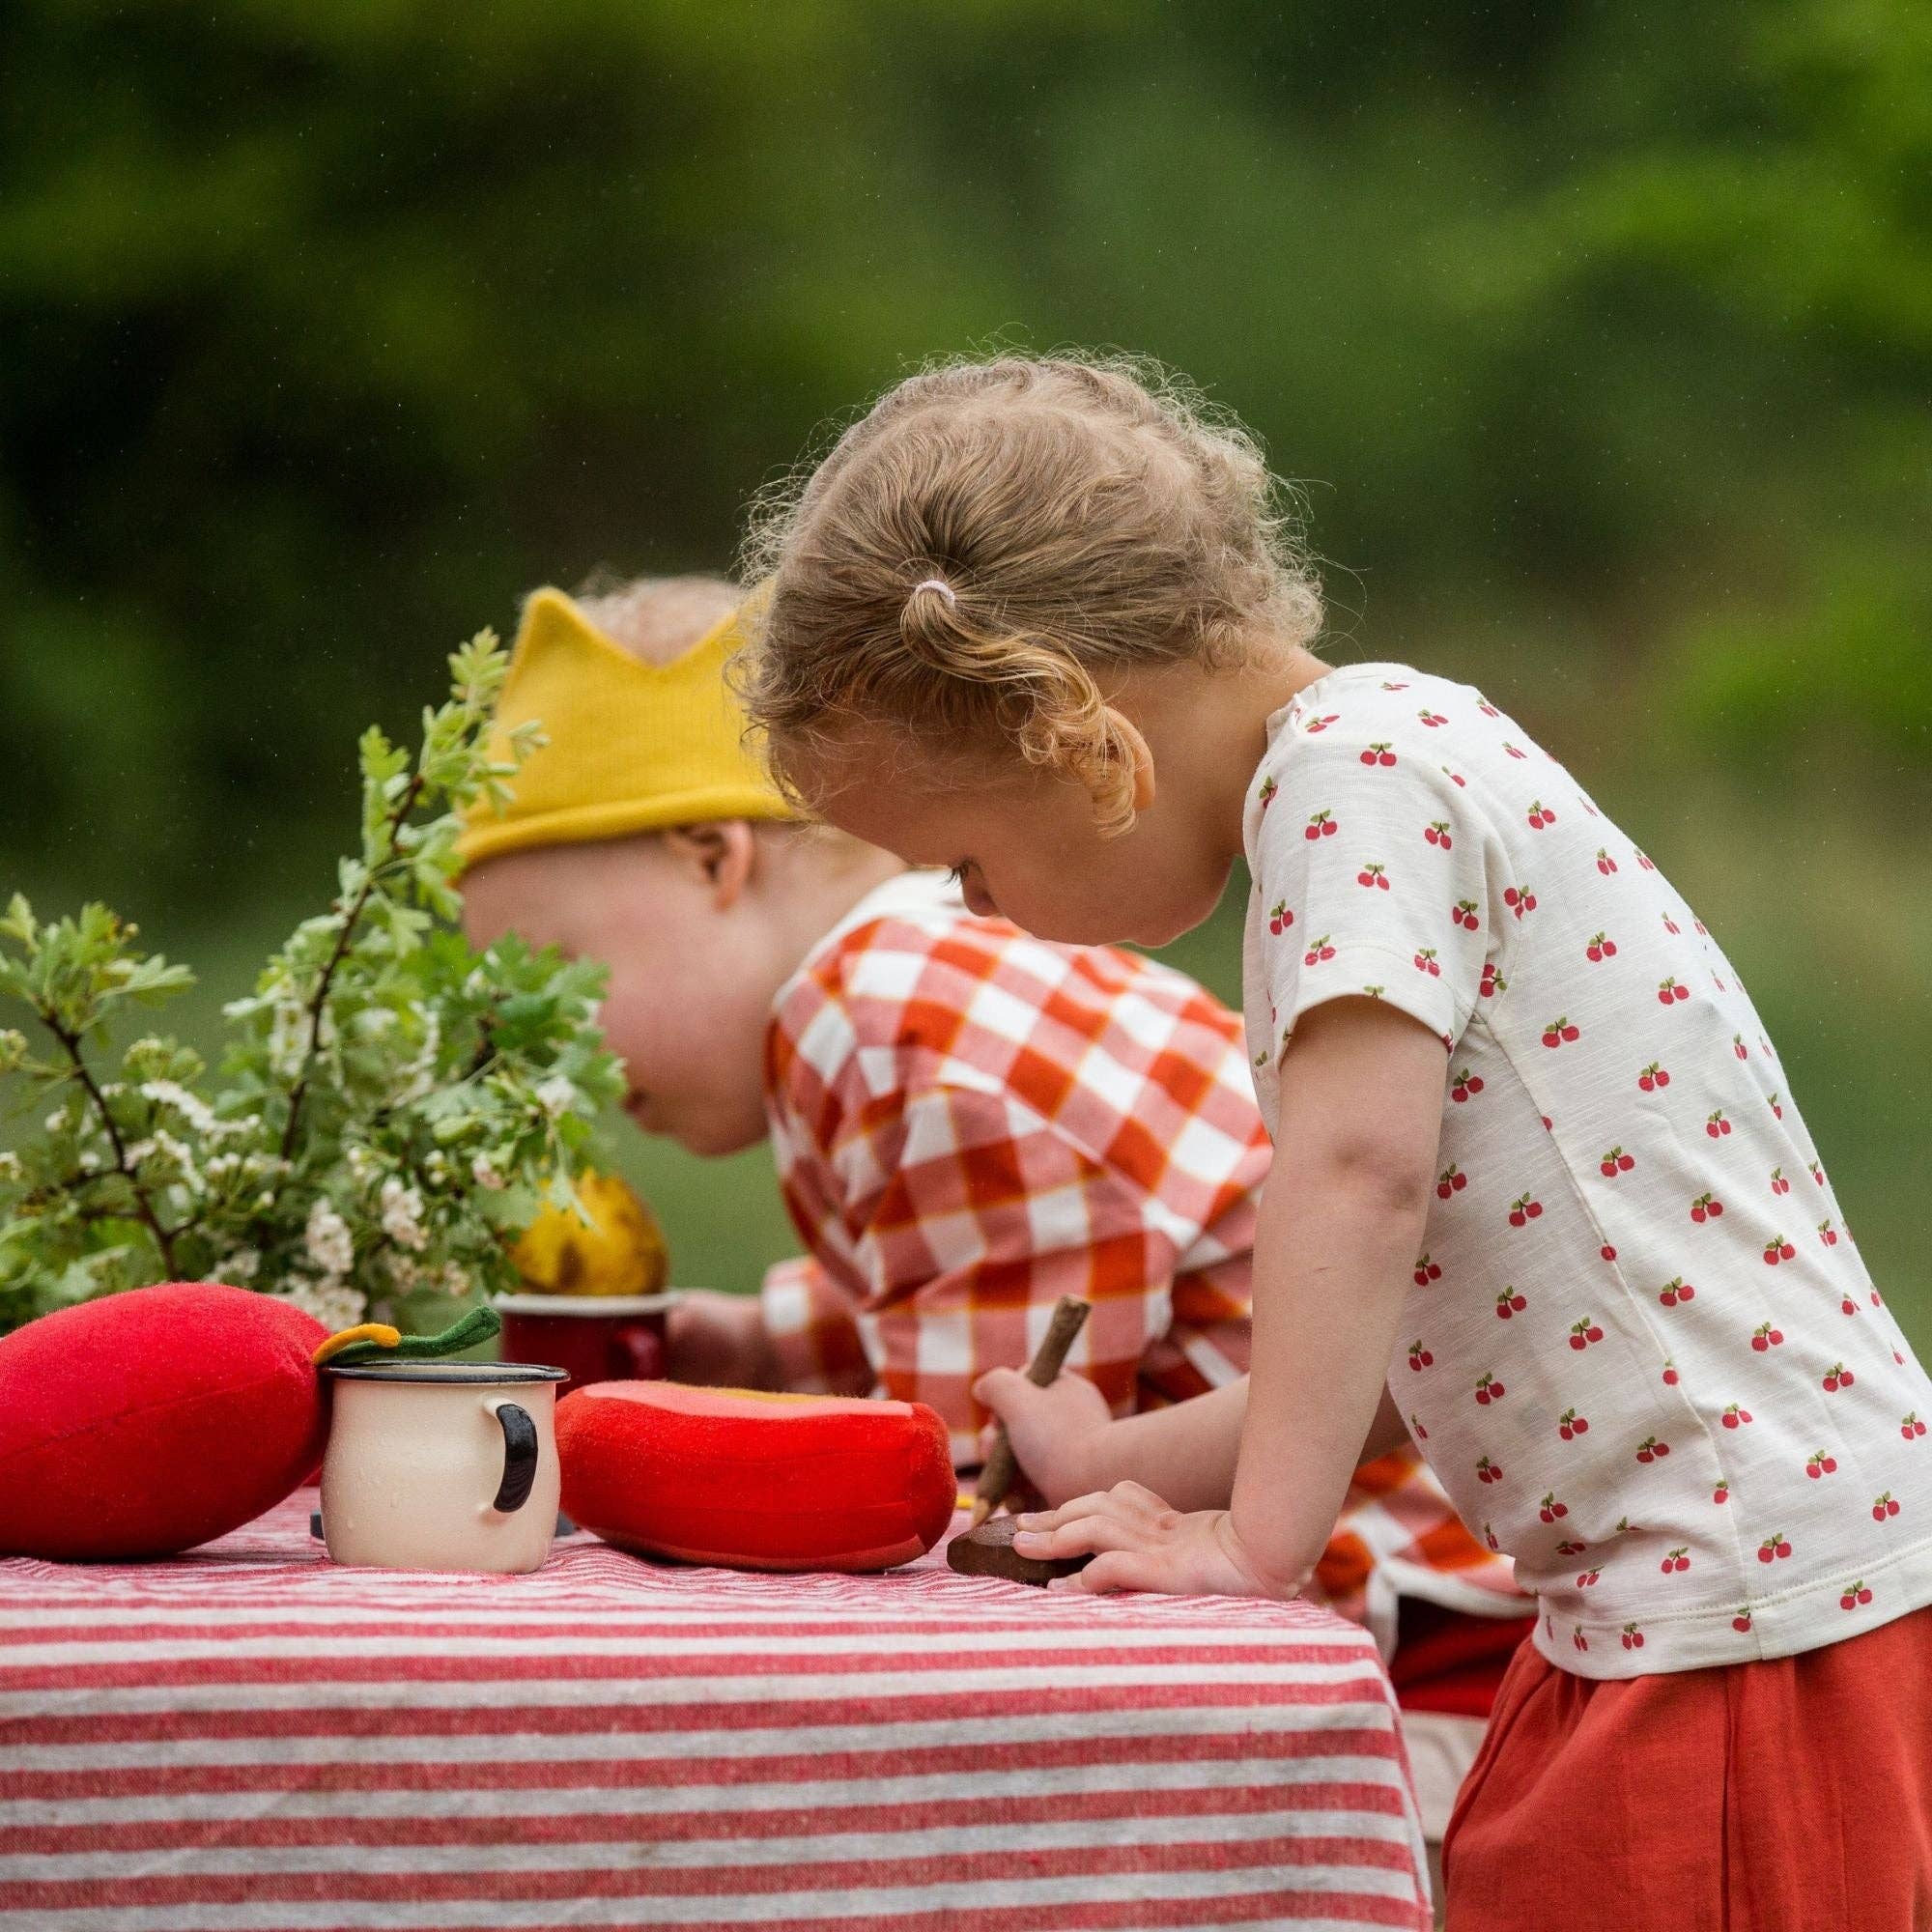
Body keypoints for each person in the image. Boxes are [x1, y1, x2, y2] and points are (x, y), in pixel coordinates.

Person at [730, 353, 1932, 1930]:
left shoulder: (1351, 781)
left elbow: (1355, 1188)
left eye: (959, 859)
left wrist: (1254, 1545)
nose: (974, 912)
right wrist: (1124, 1461)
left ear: (1070, 728)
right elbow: (1397, 1340)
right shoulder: (1380, 765)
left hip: (1733, 1612)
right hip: (1705, 1591)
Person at [458, 575, 1526, 1838]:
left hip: (1417, 1660)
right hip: (1381, 1590)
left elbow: (966, 1480)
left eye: (564, 981)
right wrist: (750, 1346)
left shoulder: (885, 1020)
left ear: (714, 857)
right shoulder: (906, 985)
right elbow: (967, 1273)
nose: (545, 1053)